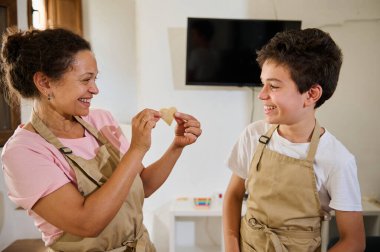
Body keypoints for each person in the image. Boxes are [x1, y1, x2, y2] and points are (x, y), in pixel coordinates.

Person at [0, 27, 202, 252]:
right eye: (86, 80)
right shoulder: (24, 151)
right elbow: (87, 223)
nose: (95, 89)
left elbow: (141, 186)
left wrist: (176, 146)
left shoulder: (101, 120)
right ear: (45, 83)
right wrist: (137, 149)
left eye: (95, 79)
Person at [223, 28, 365, 251]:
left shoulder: (337, 159)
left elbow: (354, 241)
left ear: (311, 94)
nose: (262, 94)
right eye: (263, 83)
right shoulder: (253, 135)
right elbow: (232, 195)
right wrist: (232, 246)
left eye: (274, 86)